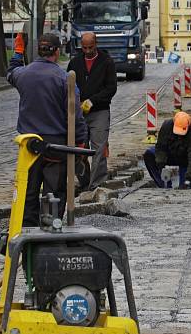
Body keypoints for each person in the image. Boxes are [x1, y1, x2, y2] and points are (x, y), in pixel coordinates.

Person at [7, 33, 88, 227]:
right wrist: (80, 142)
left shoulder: (23, 74)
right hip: (56, 147)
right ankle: (52, 231)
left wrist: (18, 52)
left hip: (29, 146)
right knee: (54, 194)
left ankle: (27, 238)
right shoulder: (64, 79)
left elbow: (11, 72)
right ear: (57, 51)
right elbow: (74, 114)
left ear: (37, 51)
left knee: (29, 193)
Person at [66, 32, 117, 191]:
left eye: (91, 47)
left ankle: (97, 185)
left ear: (96, 44)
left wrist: (93, 101)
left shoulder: (106, 62)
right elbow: (67, 85)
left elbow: (111, 88)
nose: (88, 50)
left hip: (99, 111)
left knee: (98, 148)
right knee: (77, 148)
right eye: (85, 47)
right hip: (79, 113)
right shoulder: (75, 62)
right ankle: (85, 181)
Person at [143, 111, 191, 189]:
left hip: (187, 161)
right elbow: (160, 148)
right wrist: (161, 166)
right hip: (172, 154)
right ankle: (164, 185)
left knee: (187, 188)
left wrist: (188, 180)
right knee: (149, 154)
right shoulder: (167, 126)